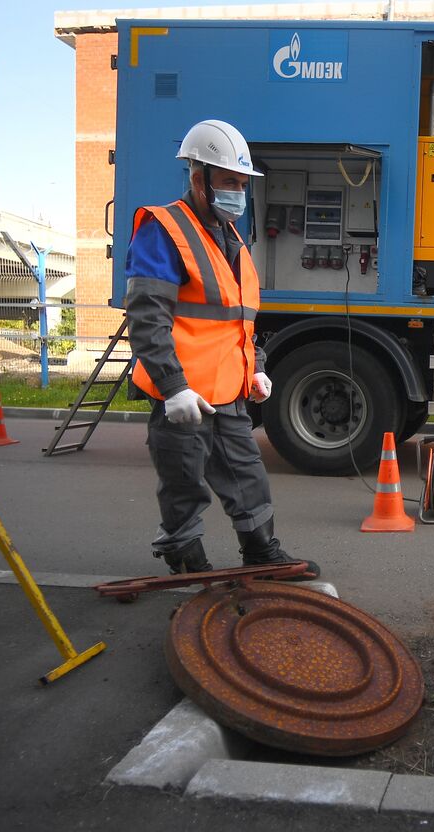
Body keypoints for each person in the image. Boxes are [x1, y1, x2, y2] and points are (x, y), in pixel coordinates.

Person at [125, 119, 318, 579]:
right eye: (229, 182)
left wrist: (257, 367)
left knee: (246, 473)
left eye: (243, 184)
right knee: (183, 480)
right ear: (199, 178)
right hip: (185, 393)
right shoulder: (164, 228)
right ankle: (184, 555)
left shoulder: (232, 240)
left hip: (230, 389)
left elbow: (238, 321)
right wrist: (172, 388)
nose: (239, 193)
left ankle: (261, 552)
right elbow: (147, 316)